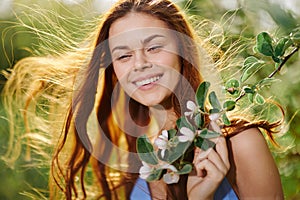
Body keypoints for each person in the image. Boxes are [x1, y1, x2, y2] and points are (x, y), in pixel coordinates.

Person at [2, 0, 284, 199]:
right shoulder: (136, 167)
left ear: (182, 50)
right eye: (123, 55)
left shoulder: (240, 145)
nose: (139, 64)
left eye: (154, 46)